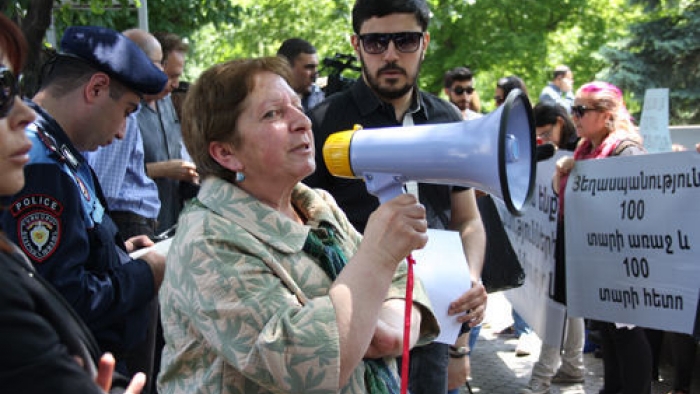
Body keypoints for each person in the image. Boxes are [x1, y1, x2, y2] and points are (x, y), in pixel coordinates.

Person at [157, 56, 440, 394]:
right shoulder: (207, 240)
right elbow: (305, 364)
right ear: (226, 153)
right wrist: (377, 257)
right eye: (273, 114)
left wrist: (384, 330)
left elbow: (399, 281)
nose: (303, 121)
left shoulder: (316, 205)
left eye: (297, 104)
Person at [304, 1, 488, 393]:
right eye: (375, 42)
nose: (390, 54)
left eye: (404, 40)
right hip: (359, 325)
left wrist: (470, 280)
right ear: (356, 44)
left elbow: (468, 220)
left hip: (437, 318)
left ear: (425, 43)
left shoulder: (447, 120)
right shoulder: (322, 124)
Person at [0, 25, 168, 377]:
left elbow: (75, 250)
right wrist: (146, 272)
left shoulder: (59, 151)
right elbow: (67, 296)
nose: (123, 131)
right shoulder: (38, 164)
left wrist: (119, 252)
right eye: (127, 111)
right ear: (96, 88)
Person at [553, 81, 651, 394]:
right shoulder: (585, 152)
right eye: (573, 110)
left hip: (621, 260)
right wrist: (564, 174)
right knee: (607, 331)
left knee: (627, 331)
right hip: (596, 255)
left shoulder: (625, 150)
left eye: (581, 110)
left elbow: (638, 206)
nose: (575, 117)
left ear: (607, 115)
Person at [521, 102, 584, 394]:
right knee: (571, 304)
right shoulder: (563, 150)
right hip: (561, 233)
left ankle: (542, 376)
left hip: (572, 236)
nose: (545, 142)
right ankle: (572, 365)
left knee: (559, 301)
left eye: (547, 134)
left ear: (561, 122)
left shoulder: (580, 150)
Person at [84, 29, 164, 240]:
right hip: (124, 221)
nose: (163, 71)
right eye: (158, 62)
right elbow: (102, 189)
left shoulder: (125, 107)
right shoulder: (116, 109)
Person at [141, 32, 199, 235]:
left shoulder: (166, 102)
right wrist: (161, 169)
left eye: (178, 77)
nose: (175, 84)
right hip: (140, 227)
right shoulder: (128, 111)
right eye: (171, 76)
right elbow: (112, 177)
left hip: (172, 219)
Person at [277, 37, 325, 112]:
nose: (316, 74)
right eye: (309, 67)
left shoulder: (318, 97)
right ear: (286, 68)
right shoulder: (267, 100)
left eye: (316, 67)